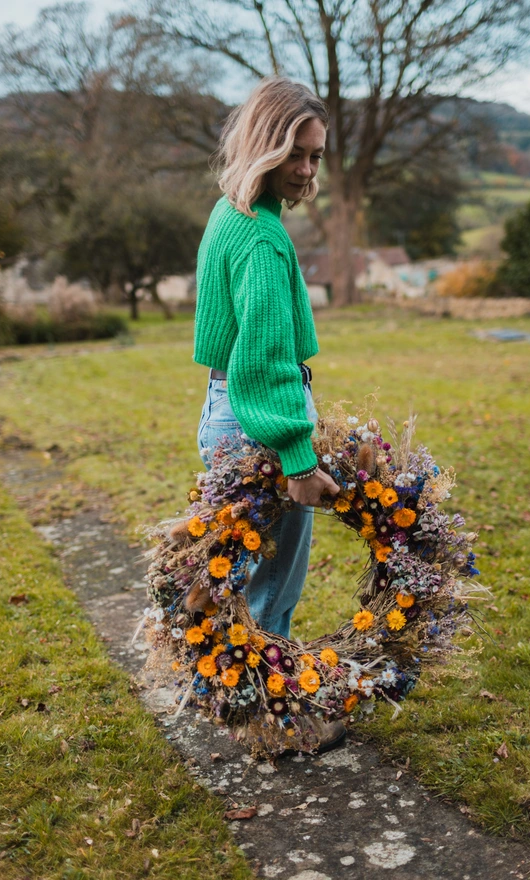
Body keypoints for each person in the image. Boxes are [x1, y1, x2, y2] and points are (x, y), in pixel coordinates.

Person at [193, 77, 343, 749]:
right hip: (256, 417)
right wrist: (296, 455)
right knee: (269, 586)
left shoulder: (234, 212)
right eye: (297, 155)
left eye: (316, 156)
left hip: (226, 408)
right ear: (266, 144)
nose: (308, 170)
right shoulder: (260, 238)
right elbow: (263, 360)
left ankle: (239, 700)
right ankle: (268, 722)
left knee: (247, 576)